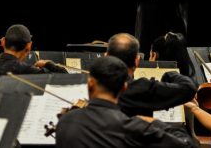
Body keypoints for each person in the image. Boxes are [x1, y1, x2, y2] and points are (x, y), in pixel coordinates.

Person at [56, 55, 198, 148]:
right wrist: (154, 123)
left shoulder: (65, 122)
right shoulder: (134, 128)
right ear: (124, 87)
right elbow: (188, 145)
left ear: (90, 84)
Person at [106, 33, 197, 117]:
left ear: (106, 56)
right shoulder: (144, 87)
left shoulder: (96, 82)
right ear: (137, 61)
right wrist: (169, 73)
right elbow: (189, 87)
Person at [0, 24, 67, 79]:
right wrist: (48, 64)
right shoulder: (29, 71)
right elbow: (66, 77)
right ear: (29, 46)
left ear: (2, 42)